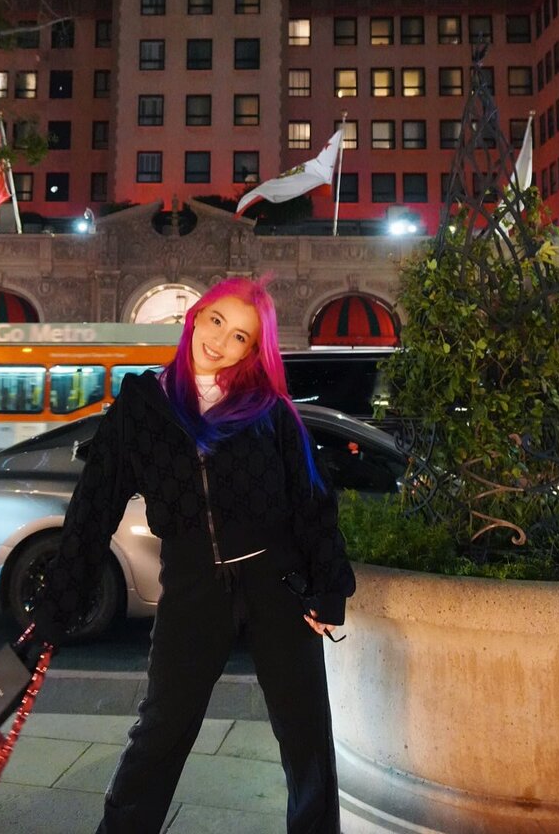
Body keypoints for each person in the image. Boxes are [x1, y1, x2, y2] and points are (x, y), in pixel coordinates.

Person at [30, 277, 356, 833]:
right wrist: (60, 603)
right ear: (195, 315)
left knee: (306, 737)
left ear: (252, 351)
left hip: (277, 584)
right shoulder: (141, 406)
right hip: (191, 588)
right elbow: (93, 507)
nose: (221, 341)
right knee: (161, 730)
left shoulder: (268, 410)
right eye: (217, 321)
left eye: (240, 337)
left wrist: (327, 587)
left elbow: (311, 498)